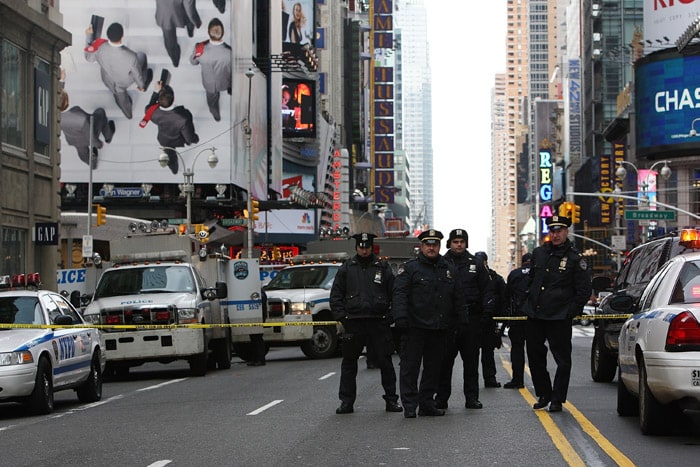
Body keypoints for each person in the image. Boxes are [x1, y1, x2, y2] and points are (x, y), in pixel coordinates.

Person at [393, 229, 464, 418]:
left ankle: (426, 403)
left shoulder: (448, 268)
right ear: (421, 246)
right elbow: (399, 294)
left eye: (434, 244)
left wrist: (461, 321)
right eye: (427, 244)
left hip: (439, 327)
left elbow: (457, 297)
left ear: (440, 246)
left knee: (433, 368)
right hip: (414, 327)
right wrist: (400, 318)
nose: (431, 248)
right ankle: (409, 405)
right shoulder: (410, 268)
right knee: (410, 368)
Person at [330, 233, 402, 415]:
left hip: (378, 322)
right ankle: (346, 402)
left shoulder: (382, 267)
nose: (364, 250)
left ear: (372, 248)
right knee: (349, 364)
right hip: (354, 323)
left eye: (367, 247)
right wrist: (342, 317)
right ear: (356, 248)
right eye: (361, 247)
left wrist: (390, 316)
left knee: (386, 363)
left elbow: (396, 293)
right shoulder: (347, 268)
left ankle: (391, 400)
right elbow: (336, 295)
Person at [525, 216, 591, 413]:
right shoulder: (538, 253)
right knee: (535, 357)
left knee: (562, 360)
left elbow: (584, 290)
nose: (555, 234)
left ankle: (557, 398)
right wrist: (525, 303)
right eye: (552, 231)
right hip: (536, 315)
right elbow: (531, 281)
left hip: (559, 316)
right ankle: (544, 393)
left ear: (566, 232)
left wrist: (570, 312)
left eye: (559, 230)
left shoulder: (575, 258)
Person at [435, 229, 493, 411]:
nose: (459, 244)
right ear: (449, 244)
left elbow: (488, 291)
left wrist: (485, 316)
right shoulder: (440, 263)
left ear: (466, 243)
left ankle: (471, 398)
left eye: (461, 241)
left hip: (471, 320)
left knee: (471, 362)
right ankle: (441, 399)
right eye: (455, 241)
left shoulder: (475, 263)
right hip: (448, 321)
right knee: (444, 363)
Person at [84, 22, 153, 119]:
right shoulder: (131, 56)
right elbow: (137, 75)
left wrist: (88, 36)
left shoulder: (99, 47)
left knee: (120, 98)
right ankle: (144, 82)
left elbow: (88, 57)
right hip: (124, 81)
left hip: (108, 79)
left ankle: (128, 113)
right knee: (142, 56)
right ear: (122, 36)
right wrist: (141, 86)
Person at [140, 82, 199, 175]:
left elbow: (150, 106)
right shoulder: (183, 116)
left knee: (170, 155)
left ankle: (174, 169)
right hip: (178, 138)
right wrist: (194, 139)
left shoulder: (151, 112)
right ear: (173, 99)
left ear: (158, 100)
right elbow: (189, 137)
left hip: (164, 139)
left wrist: (156, 91)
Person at [59, 90, 115, 170]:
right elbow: (91, 137)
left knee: (82, 153)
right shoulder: (80, 119)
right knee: (100, 112)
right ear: (66, 103)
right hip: (89, 132)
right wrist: (98, 144)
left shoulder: (56, 119)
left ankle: (93, 165)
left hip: (73, 139)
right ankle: (108, 136)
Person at [190, 18, 232, 121]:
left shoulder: (200, 49)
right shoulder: (229, 52)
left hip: (210, 84)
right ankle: (230, 89)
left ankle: (215, 114)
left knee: (212, 102)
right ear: (223, 33)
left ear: (209, 33)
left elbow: (193, 62)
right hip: (225, 81)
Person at [474, 251, 505, 388]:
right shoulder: (471, 276)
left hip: (489, 319)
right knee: (473, 354)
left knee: (487, 351)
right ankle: (483, 380)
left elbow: (503, 297)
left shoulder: (495, 278)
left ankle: (489, 378)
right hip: (475, 317)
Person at [502, 253, 532, 389]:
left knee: (517, 348)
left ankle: (517, 380)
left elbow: (507, 295)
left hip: (517, 316)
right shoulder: (540, 273)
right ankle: (540, 383)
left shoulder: (515, 274)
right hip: (535, 317)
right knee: (535, 351)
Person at [155, 0, 202, 67]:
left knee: (169, 41)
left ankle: (175, 60)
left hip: (165, 13)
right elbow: (190, 10)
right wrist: (197, 22)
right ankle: (190, 31)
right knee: (189, 16)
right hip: (181, 11)